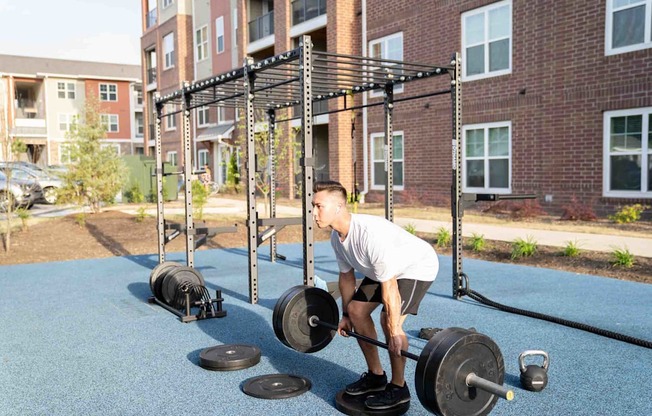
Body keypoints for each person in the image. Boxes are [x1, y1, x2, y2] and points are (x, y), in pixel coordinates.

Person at [312, 180, 439, 411]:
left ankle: (399, 388)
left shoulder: (370, 235)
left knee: (388, 322)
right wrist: (345, 315)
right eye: (313, 206)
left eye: (319, 206)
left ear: (338, 207)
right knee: (356, 311)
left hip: (416, 267)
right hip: (385, 270)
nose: (314, 212)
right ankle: (376, 376)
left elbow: (390, 287)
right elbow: (346, 277)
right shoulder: (336, 238)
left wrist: (395, 330)